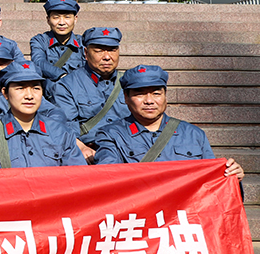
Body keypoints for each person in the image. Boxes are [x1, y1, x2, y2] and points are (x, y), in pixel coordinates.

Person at [95, 65, 244, 180]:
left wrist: (232, 175)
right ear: (126, 98)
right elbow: (108, 180)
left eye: (156, 93)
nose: (149, 101)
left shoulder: (193, 134)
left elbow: (212, 180)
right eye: (139, 94)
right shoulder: (111, 135)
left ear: (165, 96)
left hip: (184, 210)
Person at [0, 61, 84, 169]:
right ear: (5, 93)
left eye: (36, 88)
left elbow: (76, 174)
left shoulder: (61, 133)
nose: (29, 96)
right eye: (20, 88)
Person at [51, 26, 128, 161]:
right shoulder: (67, 86)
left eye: (112, 50)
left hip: (127, 152)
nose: (107, 57)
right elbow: (64, 127)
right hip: (91, 154)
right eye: (99, 51)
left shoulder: (130, 83)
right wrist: (81, 148)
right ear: (86, 53)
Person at [30, 0, 83, 96]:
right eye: (56, 17)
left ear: (75, 19)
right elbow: (38, 62)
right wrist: (63, 76)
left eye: (67, 17)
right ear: (48, 20)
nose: (62, 23)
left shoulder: (83, 42)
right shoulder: (40, 41)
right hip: (49, 96)